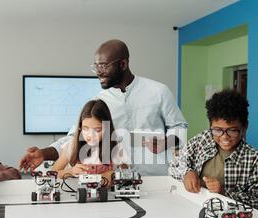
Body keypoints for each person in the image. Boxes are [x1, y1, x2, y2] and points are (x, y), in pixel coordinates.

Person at [19, 39, 187, 176]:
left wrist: (167, 141)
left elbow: (179, 126)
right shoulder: (99, 101)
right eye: (96, 66)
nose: (98, 72)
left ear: (123, 64)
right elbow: (74, 138)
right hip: (117, 179)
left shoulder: (158, 91)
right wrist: (43, 153)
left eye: (103, 66)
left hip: (157, 178)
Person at [168, 89, 258, 211]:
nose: (224, 137)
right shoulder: (203, 139)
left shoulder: (255, 160)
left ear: (245, 127)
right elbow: (174, 165)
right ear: (210, 125)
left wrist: (224, 192)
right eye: (217, 130)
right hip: (193, 207)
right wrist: (187, 173)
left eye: (232, 130)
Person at [51, 99, 125, 184]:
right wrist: (70, 171)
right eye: (85, 129)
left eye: (97, 130)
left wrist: (112, 174)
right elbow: (53, 174)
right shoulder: (72, 145)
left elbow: (126, 173)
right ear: (80, 127)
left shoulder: (116, 147)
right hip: (79, 194)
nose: (90, 136)